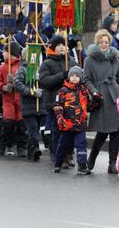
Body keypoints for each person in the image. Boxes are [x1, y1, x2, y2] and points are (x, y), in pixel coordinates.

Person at [84, 29, 119, 174]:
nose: (104, 44)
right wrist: (94, 91)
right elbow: (86, 79)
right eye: (101, 42)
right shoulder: (90, 59)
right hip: (100, 97)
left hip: (115, 96)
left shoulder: (115, 58)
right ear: (97, 43)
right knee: (102, 132)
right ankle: (91, 160)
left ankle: (112, 163)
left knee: (115, 132)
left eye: (106, 42)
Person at [39, 35, 79, 164]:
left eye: (64, 45)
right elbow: (44, 81)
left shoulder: (72, 62)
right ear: (53, 48)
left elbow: (81, 77)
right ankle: (56, 153)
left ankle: (69, 153)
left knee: (71, 128)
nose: (62, 47)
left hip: (71, 101)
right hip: (55, 100)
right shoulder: (47, 63)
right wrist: (62, 75)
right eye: (59, 45)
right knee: (57, 129)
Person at [52, 66, 91, 175]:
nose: (74, 78)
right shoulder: (63, 91)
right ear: (69, 77)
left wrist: (96, 102)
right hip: (67, 124)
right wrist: (60, 117)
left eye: (77, 76)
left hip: (80, 124)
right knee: (63, 144)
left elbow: (88, 105)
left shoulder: (84, 90)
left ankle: (82, 165)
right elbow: (57, 105)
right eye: (72, 76)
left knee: (81, 144)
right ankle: (57, 163)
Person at [14, 46, 45, 161]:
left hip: (39, 105)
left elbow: (46, 84)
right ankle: (35, 148)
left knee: (35, 128)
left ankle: (31, 150)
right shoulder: (22, 69)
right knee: (32, 127)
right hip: (28, 105)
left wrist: (40, 81)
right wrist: (31, 91)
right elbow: (17, 84)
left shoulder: (40, 69)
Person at [0, 42, 27, 157]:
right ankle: (2, 146)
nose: (3, 54)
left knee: (21, 124)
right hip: (8, 100)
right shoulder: (3, 67)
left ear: (11, 53)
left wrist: (15, 82)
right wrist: (3, 86)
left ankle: (22, 147)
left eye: (4, 51)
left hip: (20, 99)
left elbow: (25, 81)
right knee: (8, 123)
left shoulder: (22, 66)